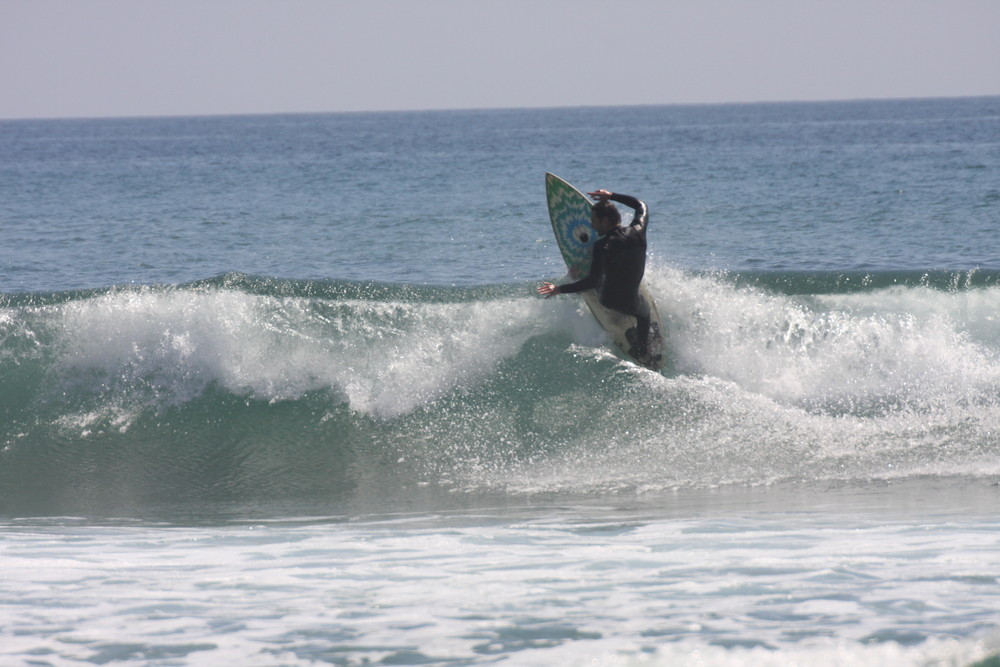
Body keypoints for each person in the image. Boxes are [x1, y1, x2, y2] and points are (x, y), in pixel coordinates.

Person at [537, 188, 652, 357]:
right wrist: (611, 195)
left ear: (604, 220)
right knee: (644, 314)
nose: (591, 225)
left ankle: (577, 275)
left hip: (609, 300)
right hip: (632, 301)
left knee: (597, 276)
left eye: (594, 220)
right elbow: (641, 205)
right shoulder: (638, 231)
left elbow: (592, 282)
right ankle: (642, 348)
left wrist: (560, 289)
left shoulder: (602, 246)